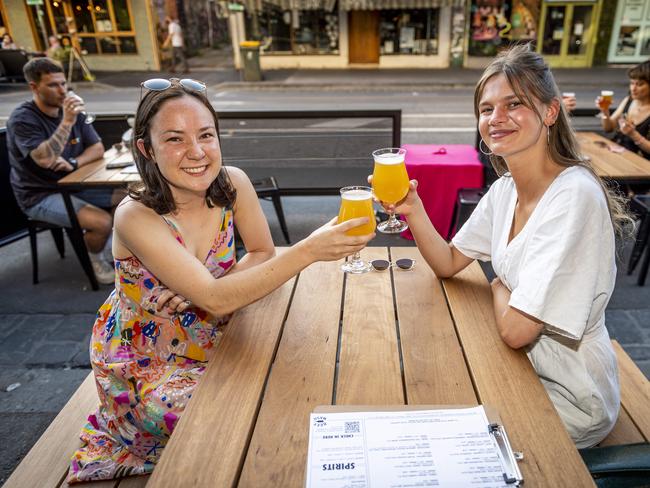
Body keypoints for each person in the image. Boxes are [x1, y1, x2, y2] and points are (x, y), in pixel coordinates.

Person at [66, 78, 374, 482]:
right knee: (235, 424)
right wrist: (308, 250)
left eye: (206, 135)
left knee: (311, 379)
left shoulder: (232, 183)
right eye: (174, 139)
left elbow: (260, 254)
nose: (196, 152)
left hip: (221, 332)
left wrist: (210, 286)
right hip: (147, 357)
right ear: (146, 149)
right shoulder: (134, 215)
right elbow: (216, 298)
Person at [377, 44, 631, 448]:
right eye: (486, 108)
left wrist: (499, 287)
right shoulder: (506, 189)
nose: (496, 119)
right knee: (410, 384)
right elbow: (447, 262)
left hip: (569, 394)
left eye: (514, 104)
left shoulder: (573, 196)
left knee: (430, 424)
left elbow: (516, 330)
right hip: (520, 367)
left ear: (550, 112)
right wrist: (414, 208)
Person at [6, 57, 115, 283]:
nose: (62, 90)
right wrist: (66, 122)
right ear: (34, 87)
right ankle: (96, 260)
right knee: (102, 222)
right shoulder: (23, 118)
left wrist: (74, 163)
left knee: (129, 198)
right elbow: (44, 159)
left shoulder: (71, 110)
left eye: (64, 83)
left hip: (73, 183)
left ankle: (113, 249)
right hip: (39, 194)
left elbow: (97, 147)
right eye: (53, 85)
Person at [597, 60, 650, 160]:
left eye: (639, 84)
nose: (633, 88)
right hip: (617, 154)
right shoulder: (628, 100)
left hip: (639, 165)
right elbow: (608, 128)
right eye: (632, 83)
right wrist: (605, 112)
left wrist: (633, 134)